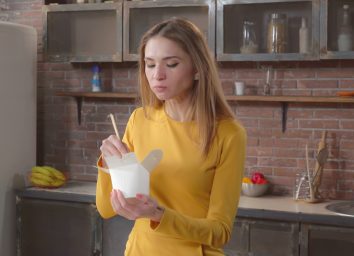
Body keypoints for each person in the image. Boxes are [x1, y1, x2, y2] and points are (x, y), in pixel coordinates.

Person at [96, 17, 247, 256]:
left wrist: (158, 215)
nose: (158, 75)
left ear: (197, 68)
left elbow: (220, 232)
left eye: (172, 64)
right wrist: (109, 162)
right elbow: (106, 209)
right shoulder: (139, 120)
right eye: (150, 64)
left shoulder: (229, 134)